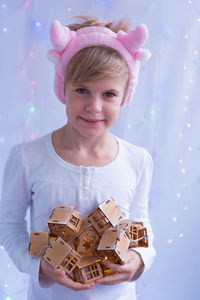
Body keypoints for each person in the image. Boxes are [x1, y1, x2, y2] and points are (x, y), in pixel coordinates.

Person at [0, 15, 156, 300]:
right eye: (82, 90)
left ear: (124, 97)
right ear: (63, 89)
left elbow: (141, 225)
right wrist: (39, 266)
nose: (94, 107)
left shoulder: (138, 159)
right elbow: (9, 226)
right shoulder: (27, 157)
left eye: (109, 94)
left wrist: (139, 259)